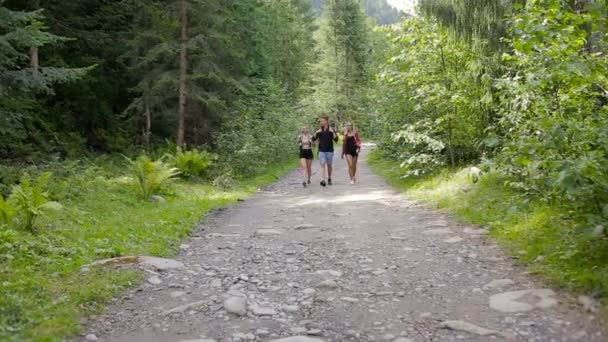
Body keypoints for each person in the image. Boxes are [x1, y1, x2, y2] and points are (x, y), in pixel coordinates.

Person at [313, 115, 339, 187]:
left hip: (330, 150)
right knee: (322, 164)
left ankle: (329, 178)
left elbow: (336, 140)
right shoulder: (319, 131)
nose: (320, 122)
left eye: (322, 121)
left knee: (329, 165)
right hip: (321, 150)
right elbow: (313, 139)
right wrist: (316, 133)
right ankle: (323, 179)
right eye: (320, 121)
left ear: (326, 121)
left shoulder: (331, 130)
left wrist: (333, 132)